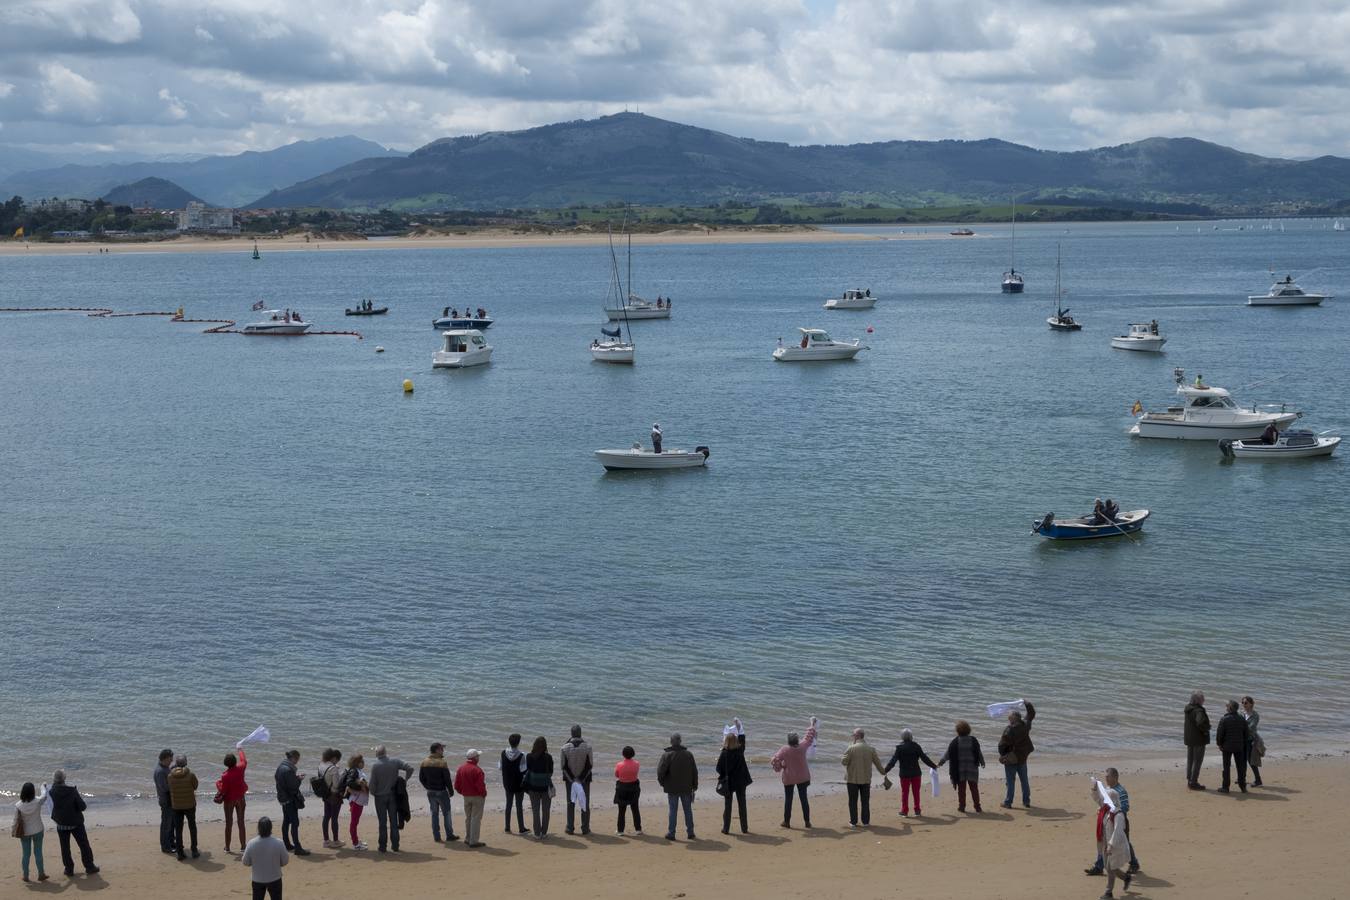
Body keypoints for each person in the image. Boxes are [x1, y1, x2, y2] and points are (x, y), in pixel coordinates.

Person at [1085, 768, 1140, 876]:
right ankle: (1099, 866)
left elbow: (1125, 807)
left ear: (1115, 777)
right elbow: (1101, 801)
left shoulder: (1121, 791)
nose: (1106, 778)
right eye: (1105, 777)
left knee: (1125, 842)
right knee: (1102, 842)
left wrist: (1113, 811)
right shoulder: (1107, 788)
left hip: (1119, 821)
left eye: (1108, 777)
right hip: (1107, 820)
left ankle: (1134, 863)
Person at [770, 717, 818, 828]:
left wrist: (780, 766)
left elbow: (774, 760)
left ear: (788, 741)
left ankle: (786, 822)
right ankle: (807, 822)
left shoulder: (784, 749)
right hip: (803, 777)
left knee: (788, 800)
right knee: (804, 799)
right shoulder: (803, 746)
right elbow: (810, 735)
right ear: (797, 740)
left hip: (789, 778)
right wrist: (812, 723)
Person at [48, 770, 98, 876]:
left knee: (65, 847)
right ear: (64, 779)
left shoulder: (52, 791)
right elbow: (82, 806)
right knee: (83, 845)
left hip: (61, 823)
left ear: (54, 780)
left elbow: (52, 799)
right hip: (76, 823)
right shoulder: (72, 791)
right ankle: (89, 866)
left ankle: (69, 869)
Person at [882, 729, 938, 817]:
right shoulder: (916, 746)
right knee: (916, 792)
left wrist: (885, 770)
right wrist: (933, 766)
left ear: (902, 737)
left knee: (905, 792)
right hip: (916, 773)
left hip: (904, 774)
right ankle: (917, 810)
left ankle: (904, 811)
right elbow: (924, 758)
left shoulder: (899, 748)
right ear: (911, 736)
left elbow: (893, 761)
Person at [368, 746, 414, 852]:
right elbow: (410, 768)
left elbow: (372, 785)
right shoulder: (395, 761)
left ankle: (382, 847)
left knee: (382, 822)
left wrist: (373, 793)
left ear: (376, 754)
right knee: (394, 821)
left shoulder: (375, 766)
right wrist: (405, 780)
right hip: (393, 795)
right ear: (385, 752)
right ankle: (395, 846)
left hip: (380, 797)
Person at [1092, 785, 1133, 900]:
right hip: (1106, 842)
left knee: (1111, 867)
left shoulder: (1118, 814)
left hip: (1115, 845)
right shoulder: (1106, 810)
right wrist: (1095, 789)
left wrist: (1110, 845)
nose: (1104, 800)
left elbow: (1117, 831)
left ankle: (1108, 892)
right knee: (1109, 867)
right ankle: (1125, 877)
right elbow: (1097, 799)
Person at [841, 728, 887, 827]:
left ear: (857, 736)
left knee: (852, 801)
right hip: (866, 779)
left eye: (853, 735)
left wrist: (852, 746)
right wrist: (884, 772)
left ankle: (853, 822)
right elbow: (878, 764)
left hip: (852, 779)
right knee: (865, 801)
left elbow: (844, 762)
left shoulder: (851, 748)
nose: (853, 736)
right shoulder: (871, 749)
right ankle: (865, 822)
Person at [657, 733, 697, 841]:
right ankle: (690, 832)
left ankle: (671, 833)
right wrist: (695, 786)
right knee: (687, 810)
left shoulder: (667, 755)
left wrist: (662, 783)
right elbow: (694, 771)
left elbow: (660, 772)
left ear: (671, 742)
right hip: (686, 787)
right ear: (680, 741)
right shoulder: (688, 754)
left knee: (673, 810)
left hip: (672, 787)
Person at [938, 720, 985, 813]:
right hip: (972, 769)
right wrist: (982, 762)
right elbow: (979, 753)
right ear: (968, 730)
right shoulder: (973, 740)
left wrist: (940, 762)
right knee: (974, 788)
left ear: (958, 731)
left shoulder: (955, 742)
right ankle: (977, 807)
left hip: (960, 770)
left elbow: (947, 754)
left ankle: (962, 807)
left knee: (961, 789)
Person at [998, 701, 1037, 809]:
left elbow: (1002, 745)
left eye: (1010, 717)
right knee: (1024, 780)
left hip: (1012, 758)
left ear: (1013, 718)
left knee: (1010, 781)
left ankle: (1008, 802)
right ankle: (1026, 801)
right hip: (1022, 757)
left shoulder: (1009, 729)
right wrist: (1027, 703)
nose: (1008, 718)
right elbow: (1031, 714)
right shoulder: (1025, 724)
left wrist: (1003, 755)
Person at [716, 720, 752, 834]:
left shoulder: (724, 754)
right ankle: (744, 828)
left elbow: (718, 769)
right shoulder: (740, 750)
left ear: (725, 740)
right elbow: (742, 739)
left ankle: (726, 828)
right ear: (736, 741)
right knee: (742, 804)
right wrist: (739, 726)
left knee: (728, 805)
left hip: (729, 782)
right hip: (741, 781)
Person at [418, 742, 459, 843]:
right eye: (441, 749)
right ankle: (449, 835)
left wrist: (427, 786)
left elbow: (421, 778)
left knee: (434, 814)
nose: (443, 750)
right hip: (441, 792)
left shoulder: (424, 762)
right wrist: (451, 791)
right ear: (436, 750)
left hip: (430, 792)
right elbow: (447, 779)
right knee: (447, 814)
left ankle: (436, 837)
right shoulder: (442, 762)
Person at [241, 816, 288, 900]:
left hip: (257, 879)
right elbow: (284, 861)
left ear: (258, 828)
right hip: (275, 878)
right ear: (271, 828)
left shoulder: (251, 843)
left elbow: (245, 862)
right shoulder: (279, 843)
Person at [274, 750, 309, 855]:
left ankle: (286, 844)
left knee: (286, 821)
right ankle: (297, 847)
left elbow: (281, 780)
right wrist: (299, 780)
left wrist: (296, 778)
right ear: (293, 758)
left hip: (282, 798)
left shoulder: (281, 766)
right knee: (295, 822)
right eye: (297, 759)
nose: (297, 761)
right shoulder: (288, 770)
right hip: (289, 799)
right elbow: (293, 786)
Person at [560, 725, 593, 835]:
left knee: (570, 803)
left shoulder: (564, 748)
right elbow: (589, 765)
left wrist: (573, 779)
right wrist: (580, 779)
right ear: (580, 733)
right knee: (585, 803)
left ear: (571, 734)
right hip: (584, 780)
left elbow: (563, 767)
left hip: (570, 780)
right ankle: (585, 828)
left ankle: (570, 828)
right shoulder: (588, 747)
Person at [15, 782, 48, 882]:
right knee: (38, 853)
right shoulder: (38, 801)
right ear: (33, 792)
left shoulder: (18, 805)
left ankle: (25, 876)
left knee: (26, 854)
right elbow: (44, 795)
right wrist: (43, 786)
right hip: (38, 830)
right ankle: (41, 874)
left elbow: (16, 820)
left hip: (25, 833)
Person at [168, 754, 200, 860]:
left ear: (176, 764)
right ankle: (194, 850)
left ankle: (180, 853)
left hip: (176, 806)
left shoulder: (170, 776)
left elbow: (170, 788)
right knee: (192, 827)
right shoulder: (191, 775)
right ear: (186, 763)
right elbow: (195, 786)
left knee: (178, 829)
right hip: (190, 805)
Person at [454, 750, 488, 848]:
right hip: (477, 796)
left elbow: (456, 785)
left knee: (468, 818)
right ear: (475, 758)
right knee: (476, 819)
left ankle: (468, 838)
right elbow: (480, 786)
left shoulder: (461, 768)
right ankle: (473, 841)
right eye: (478, 756)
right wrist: (484, 794)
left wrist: (462, 792)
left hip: (466, 796)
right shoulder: (477, 770)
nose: (479, 758)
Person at [1216, 700, 1250, 794]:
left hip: (1227, 747)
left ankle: (1225, 787)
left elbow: (1220, 733)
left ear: (1230, 708)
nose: (1226, 708)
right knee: (1240, 767)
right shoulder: (1241, 719)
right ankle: (1243, 786)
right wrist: (1243, 743)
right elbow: (1246, 734)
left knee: (1226, 767)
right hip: (1239, 746)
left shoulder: (1224, 719)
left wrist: (1219, 744)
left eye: (1227, 706)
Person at [523, 737, 554, 839]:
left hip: (533, 787)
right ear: (545, 745)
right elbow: (551, 772)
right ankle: (544, 832)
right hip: (545, 787)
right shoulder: (548, 757)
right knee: (546, 811)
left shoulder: (529, 756)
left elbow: (528, 770)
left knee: (535, 811)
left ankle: (537, 834)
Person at [219, 749, 249, 853]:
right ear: (235, 761)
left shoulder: (225, 776)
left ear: (225, 763)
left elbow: (223, 790)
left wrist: (218, 783)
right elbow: (244, 760)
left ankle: (227, 847)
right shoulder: (241, 768)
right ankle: (243, 846)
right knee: (241, 822)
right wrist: (240, 749)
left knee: (229, 823)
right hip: (240, 798)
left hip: (229, 800)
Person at [500, 734, 528, 834]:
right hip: (519, 784)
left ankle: (507, 827)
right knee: (519, 805)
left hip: (507, 783)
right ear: (518, 743)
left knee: (508, 804)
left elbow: (500, 767)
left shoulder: (503, 753)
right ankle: (521, 828)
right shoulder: (522, 755)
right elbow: (524, 770)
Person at [1184, 691, 1211, 790]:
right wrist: (1206, 729)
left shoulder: (1188, 708)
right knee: (1197, 761)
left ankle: (1190, 780)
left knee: (1190, 760)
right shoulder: (1199, 710)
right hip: (1198, 740)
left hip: (1189, 739)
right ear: (1197, 700)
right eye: (1202, 698)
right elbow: (1200, 722)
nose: (1204, 700)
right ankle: (1193, 782)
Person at [343, 755, 369, 850]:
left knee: (355, 822)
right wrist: (361, 788)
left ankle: (356, 841)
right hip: (356, 801)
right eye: (362, 761)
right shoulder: (354, 771)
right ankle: (355, 844)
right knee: (354, 822)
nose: (363, 763)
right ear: (357, 762)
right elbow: (349, 783)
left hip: (358, 800)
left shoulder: (357, 771)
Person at [319, 749, 344, 849]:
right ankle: (336, 841)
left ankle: (326, 841)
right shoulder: (333, 768)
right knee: (334, 818)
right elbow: (337, 785)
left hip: (326, 794)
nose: (337, 762)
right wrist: (338, 772)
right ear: (334, 758)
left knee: (326, 817)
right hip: (334, 796)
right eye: (337, 760)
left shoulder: (321, 764)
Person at [614, 746, 642, 835]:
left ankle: (620, 830)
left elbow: (617, 775)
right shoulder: (637, 763)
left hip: (622, 788)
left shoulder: (619, 765)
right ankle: (638, 829)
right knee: (635, 809)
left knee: (621, 810)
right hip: (634, 787)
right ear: (633, 754)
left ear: (623, 754)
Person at [154, 748, 176, 854]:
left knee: (171, 824)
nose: (171, 761)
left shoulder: (165, 768)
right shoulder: (160, 771)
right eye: (170, 759)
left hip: (169, 800)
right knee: (166, 825)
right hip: (165, 801)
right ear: (165, 758)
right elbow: (164, 788)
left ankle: (171, 843)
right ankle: (165, 847)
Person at [1242, 696, 1264, 787]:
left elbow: (1251, 727)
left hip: (1251, 740)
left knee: (1251, 761)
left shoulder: (1255, 715)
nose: (1244, 705)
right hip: (1242, 739)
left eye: (1246, 703)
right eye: (1242, 703)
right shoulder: (1241, 714)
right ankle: (1242, 778)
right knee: (1242, 759)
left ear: (1251, 704)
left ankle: (1258, 780)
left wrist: (1241, 727)